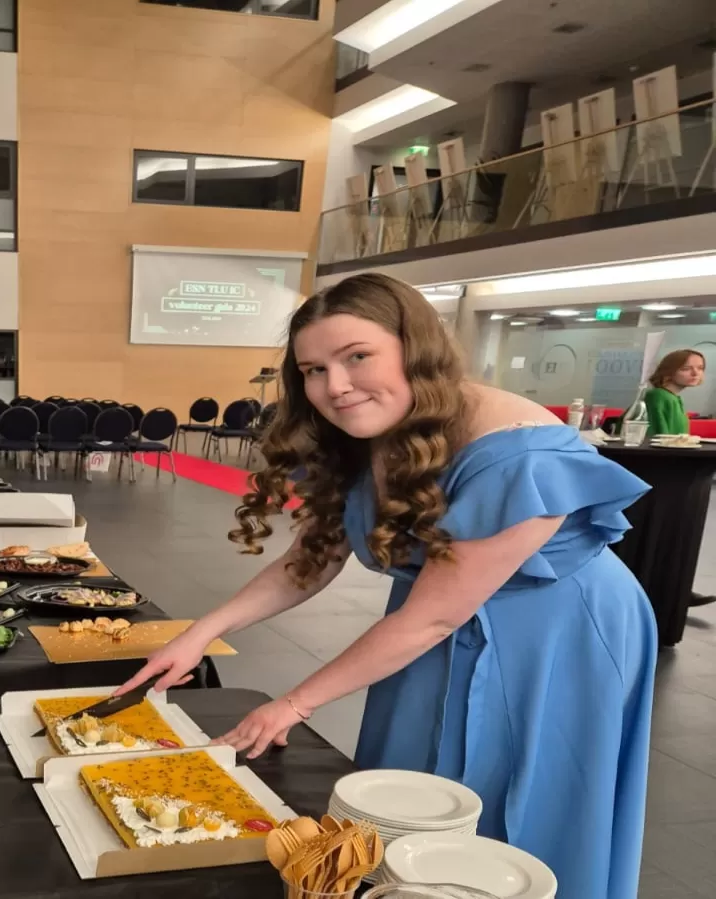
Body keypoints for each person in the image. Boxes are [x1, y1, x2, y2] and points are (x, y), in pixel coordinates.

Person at [117, 273, 656, 899]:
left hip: (553, 630)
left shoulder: (518, 454)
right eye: (313, 370)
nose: (335, 387)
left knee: (524, 805)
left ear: (414, 348)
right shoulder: (364, 431)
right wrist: (200, 635)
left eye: (357, 357)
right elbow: (309, 562)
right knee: (405, 782)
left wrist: (294, 704)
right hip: (427, 621)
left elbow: (433, 618)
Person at [645, 348, 705, 437]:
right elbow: (656, 439)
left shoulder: (672, 397)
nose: (695, 373)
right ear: (668, 371)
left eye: (700, 368)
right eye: (686, 368)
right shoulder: (658, 396)